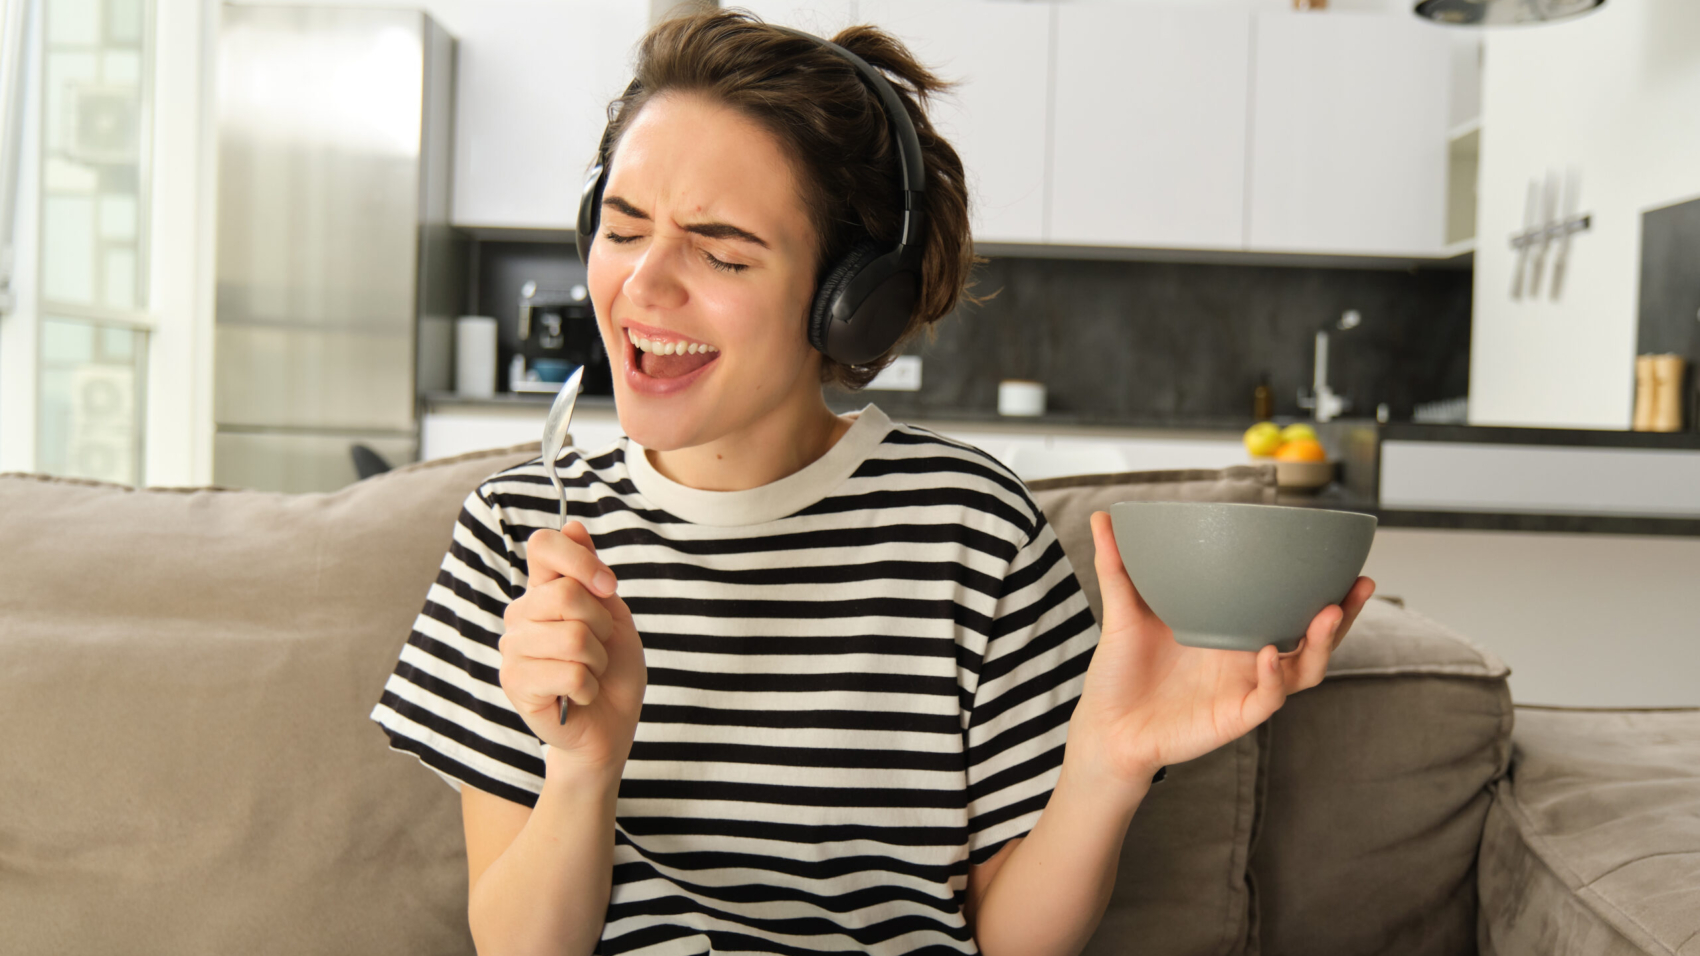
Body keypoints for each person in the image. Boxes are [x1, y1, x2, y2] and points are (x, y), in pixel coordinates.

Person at [368, 11, 1375, 956]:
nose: (642, 284)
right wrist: (585, 765)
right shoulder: (519, 529)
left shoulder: (971, 534)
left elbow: (1014, 938)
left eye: (720, 249)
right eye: (623, 228)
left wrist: (1103, 767)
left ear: (850, 303)